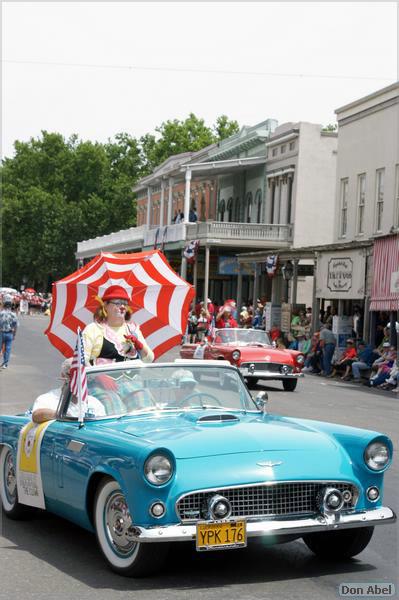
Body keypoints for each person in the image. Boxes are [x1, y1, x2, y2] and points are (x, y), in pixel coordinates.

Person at [82, 286, 154, 365]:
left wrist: (139, 345)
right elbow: (83, 361)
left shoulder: (133, 330)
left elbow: (149, 359)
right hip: (98, 376)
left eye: (125, 304)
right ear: (105, 305)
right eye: (117, 303)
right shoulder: (93, 329)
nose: (122, 307)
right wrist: (100, 376)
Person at [31, 359, 106, 423]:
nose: (78, 380)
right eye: (73, 375)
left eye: (83, 376)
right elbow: (36, 416)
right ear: (63, 375)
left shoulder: (94, 402)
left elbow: (103, 425)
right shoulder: (48, 399)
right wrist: (62, 415)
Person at [0, 300, 18, 369]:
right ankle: (5, 364)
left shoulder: (1, 313)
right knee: (7, 349)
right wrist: (14, 335)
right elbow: (15, 326)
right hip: (10, 333)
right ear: (11, 306)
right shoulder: (14, 315)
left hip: (1, 332)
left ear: (4, 306)